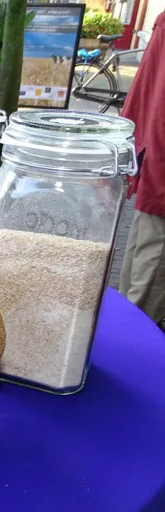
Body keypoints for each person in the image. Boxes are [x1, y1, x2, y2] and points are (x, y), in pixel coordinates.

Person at [119, 10, 165, 327]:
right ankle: (133, 341)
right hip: (159, 160)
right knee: (153, 260)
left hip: (153, 150)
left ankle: (121, 326)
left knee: (143, 251)